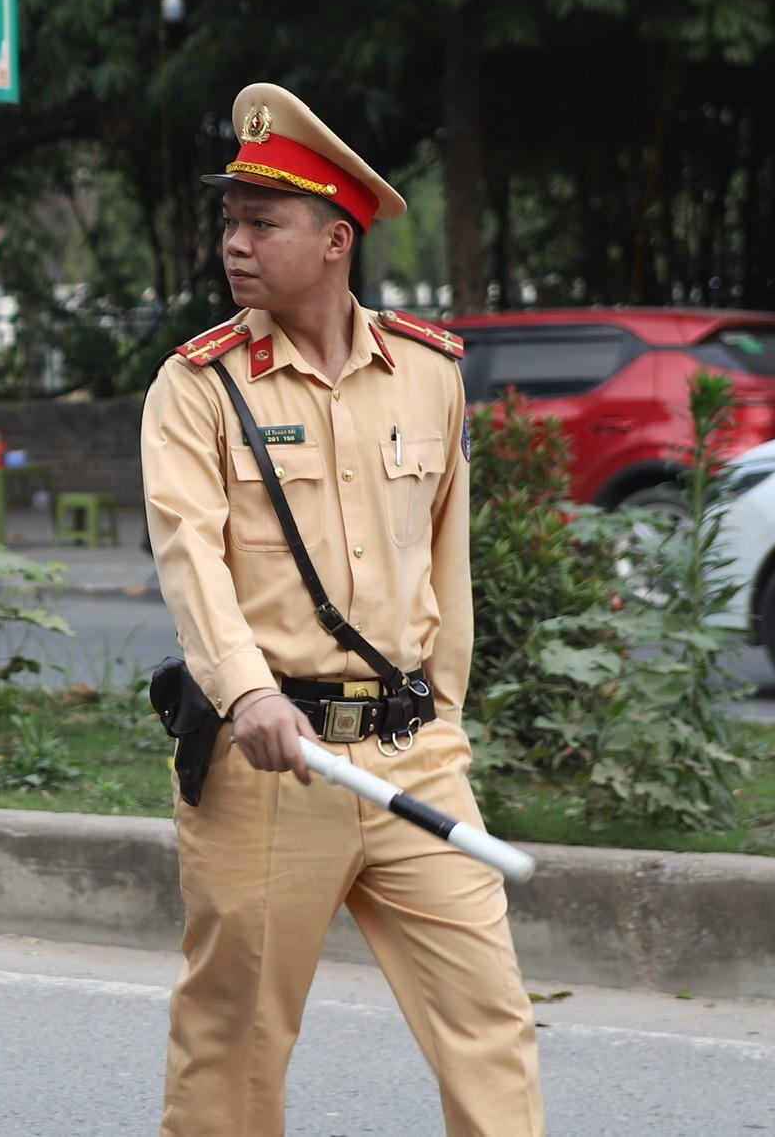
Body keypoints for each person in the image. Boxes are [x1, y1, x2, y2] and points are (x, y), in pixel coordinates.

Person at [142, 84, 541, 1137]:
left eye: (261, 222)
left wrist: (443, 711)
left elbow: (443, 563)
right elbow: (192, 565)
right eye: (229, 220)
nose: (234, 242)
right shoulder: (195, 388)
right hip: (271, 765)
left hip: (413, 754)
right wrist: (246, 693)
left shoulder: (427, 373)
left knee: (488, 1021)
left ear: (334, 240)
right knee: (234, 1043)